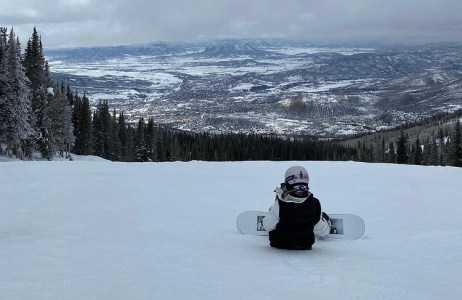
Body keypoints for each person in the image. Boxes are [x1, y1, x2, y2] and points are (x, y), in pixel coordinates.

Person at [262, 166, 331, 250]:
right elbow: (321, 230)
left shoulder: (280, 204)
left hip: (280, 244)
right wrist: (324, 229)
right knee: (317, 222)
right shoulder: (314, 204)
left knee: (275, 216)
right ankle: (323, 219)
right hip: (304, 245)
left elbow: (267, 225)